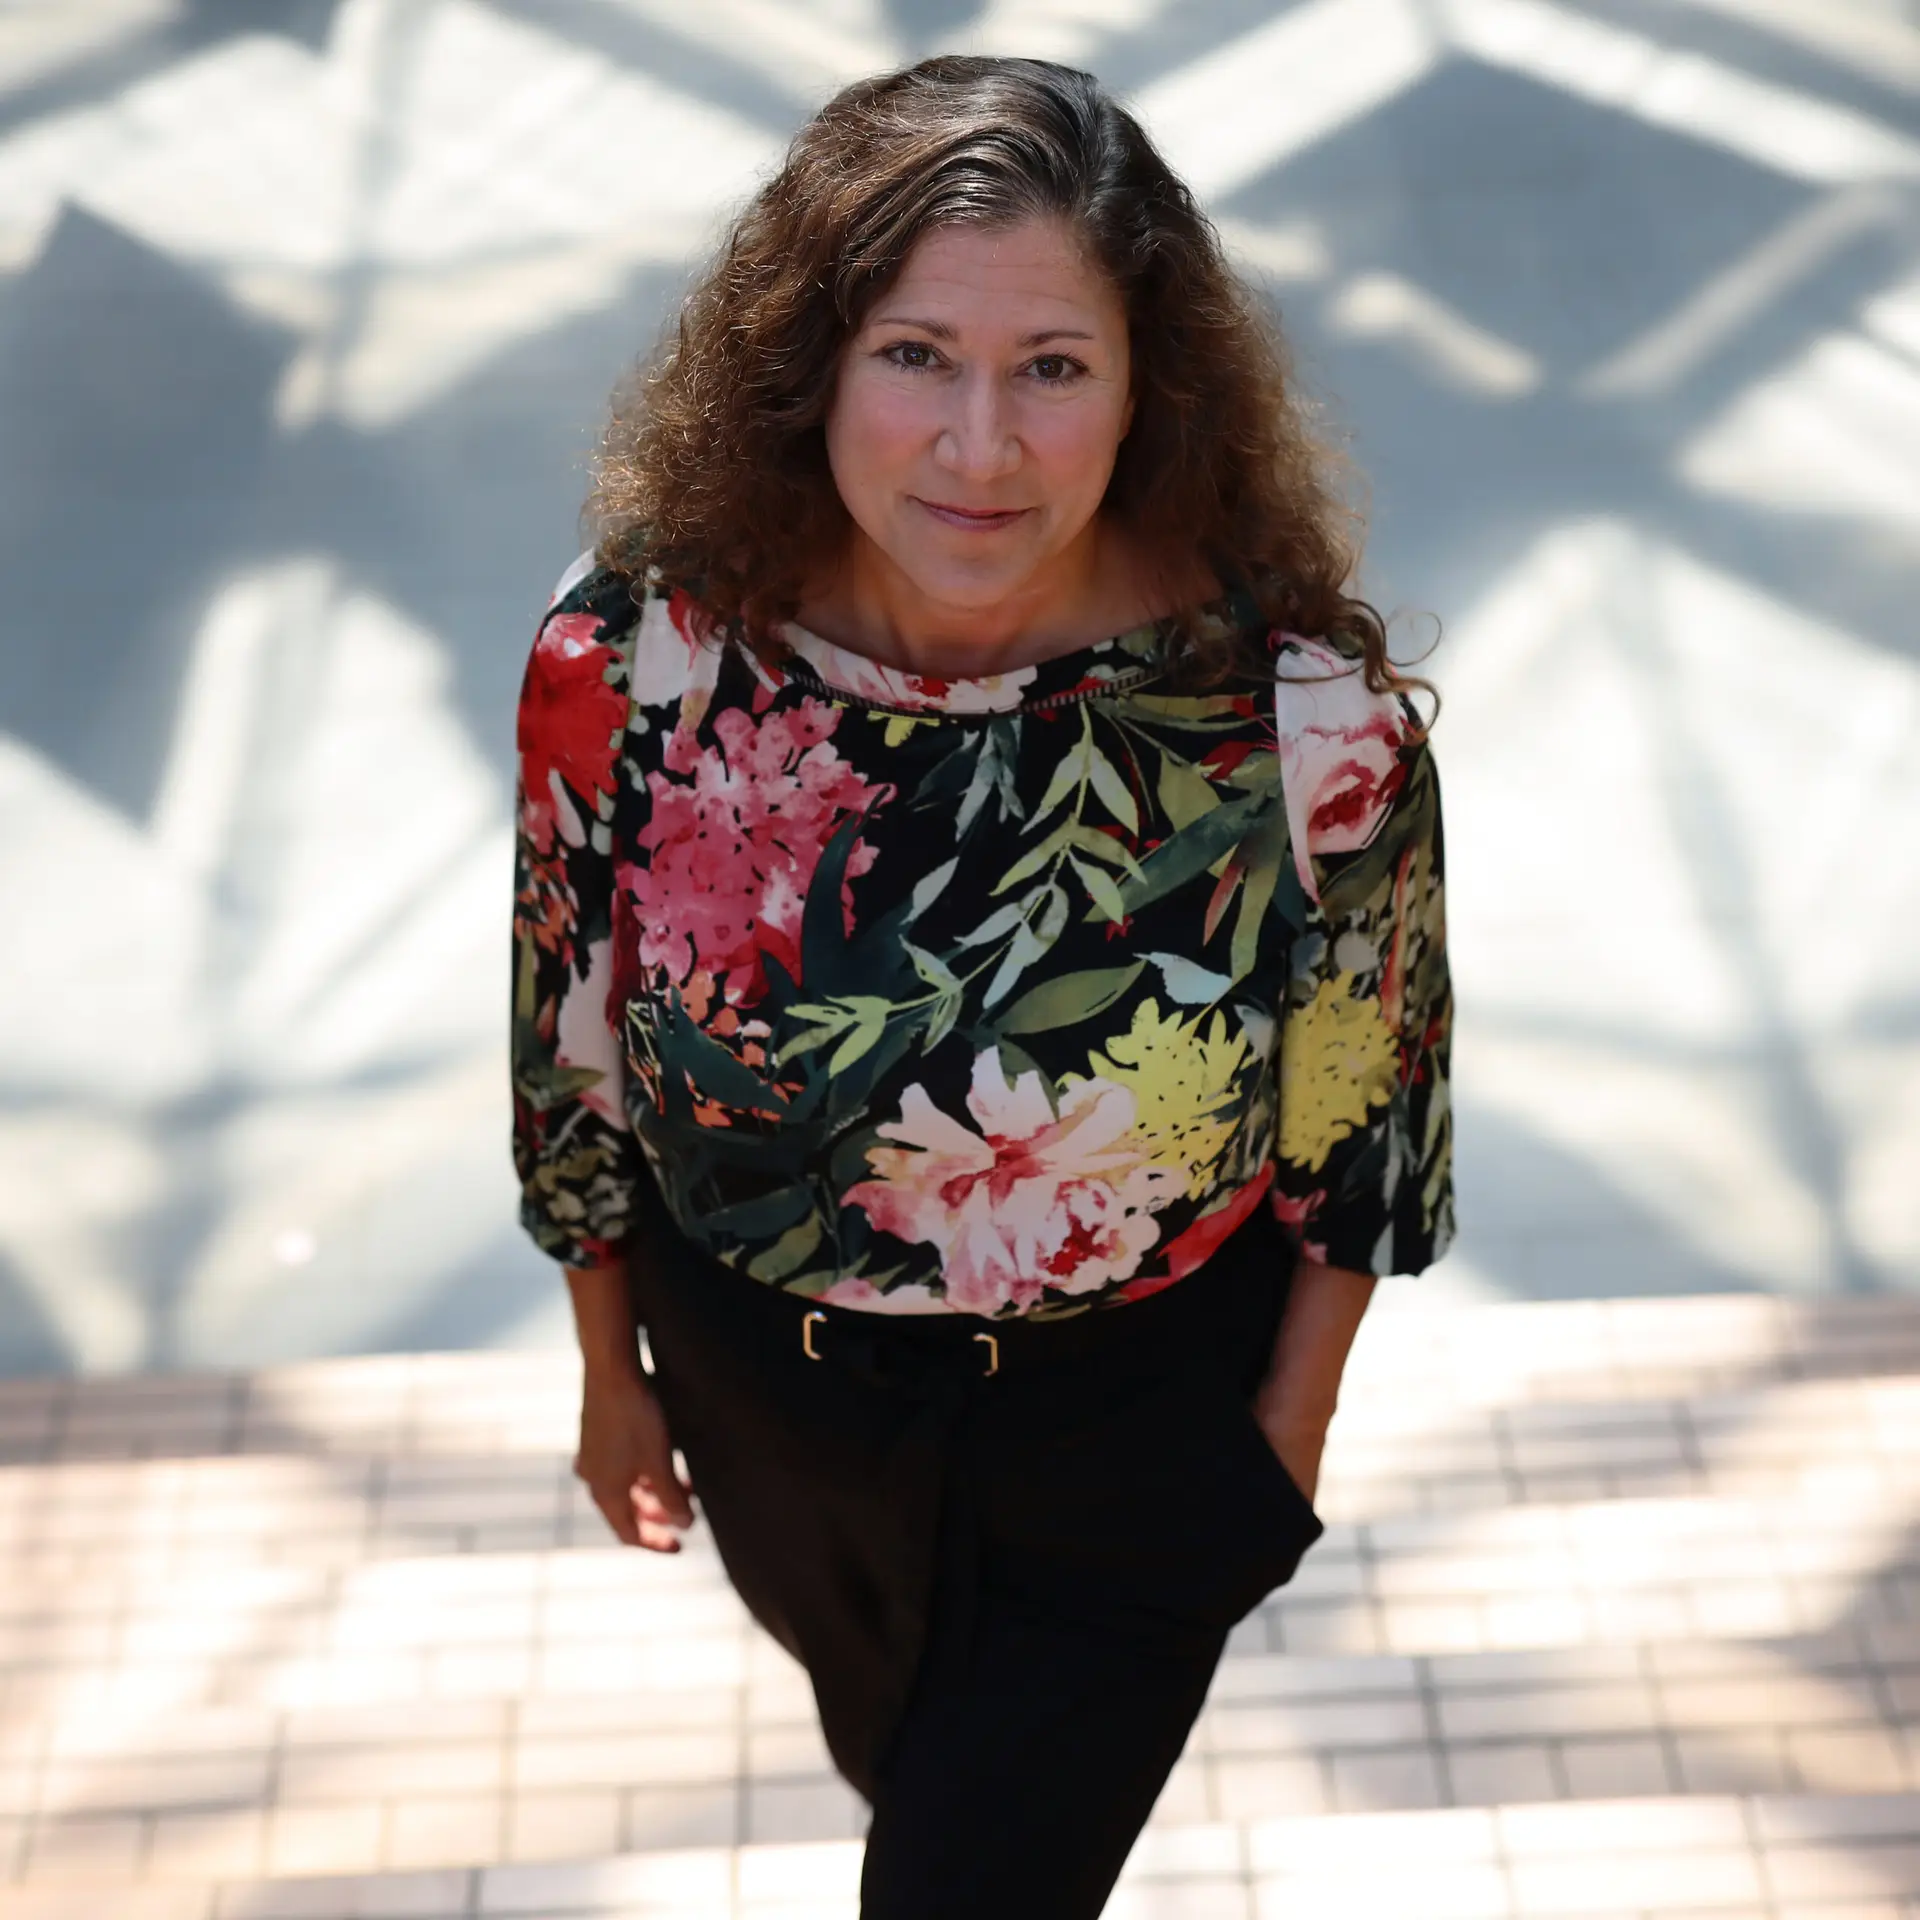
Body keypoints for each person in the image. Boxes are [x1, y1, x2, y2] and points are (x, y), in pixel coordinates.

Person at [510, 53, 1452, 1919]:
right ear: (811, 362)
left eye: (1054, 367)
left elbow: (1371, 1115)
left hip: (1133, 1446)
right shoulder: (636, 655)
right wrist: (612, 1377)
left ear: (1147, 385)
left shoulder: (1294, 719)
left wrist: (1280, 1448)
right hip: (772, 1415)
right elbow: (572, 1038)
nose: (979, 447)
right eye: (917, 356)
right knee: (908, 1778)